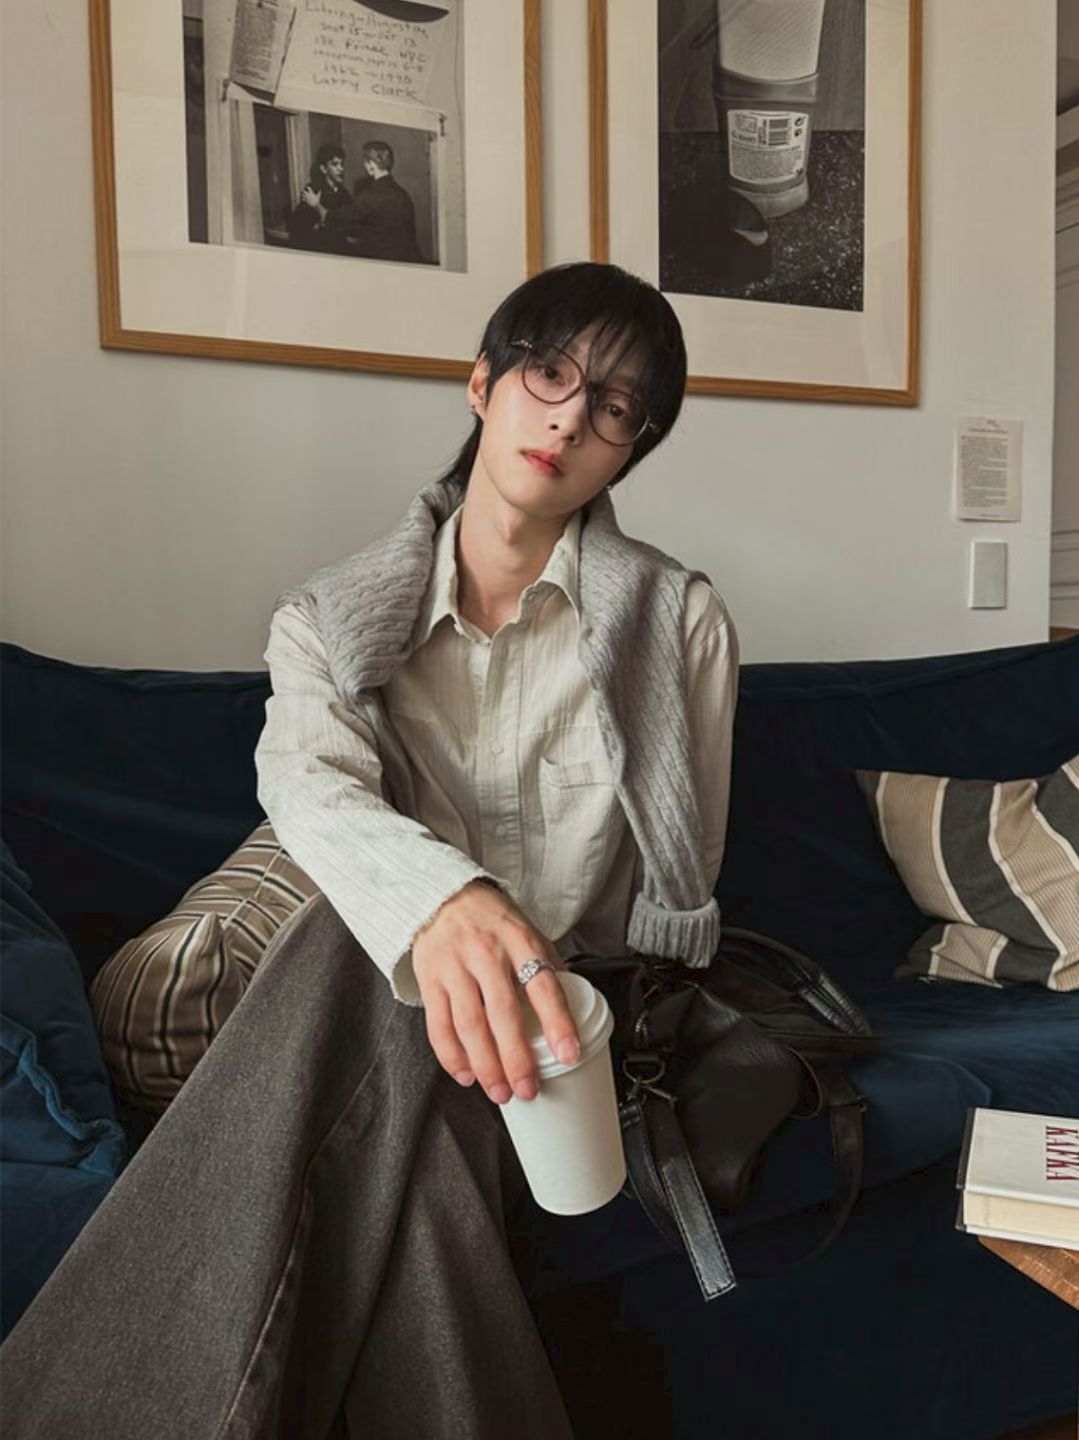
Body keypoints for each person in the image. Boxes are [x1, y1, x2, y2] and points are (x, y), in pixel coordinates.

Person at [0, 261, 739, 1439]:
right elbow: (306, 783)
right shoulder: (324, 621)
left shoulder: (678, 621)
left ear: (627, 451)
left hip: (549, 1022)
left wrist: (507, 959)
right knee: (369, 955)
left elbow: (675, 873)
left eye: (612, 407)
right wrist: (443, 906)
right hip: (356, 994)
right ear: (481, 384)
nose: (566, 419)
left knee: (391, 1020)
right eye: (548, 374)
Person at [349, 140, 422, 262]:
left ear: (371, 165)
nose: (365, 166)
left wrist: (319, 207)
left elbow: (342, 219)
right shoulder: (403, 195)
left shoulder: (369, 195)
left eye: (366, 162)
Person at [288, 142, 356, 254]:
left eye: (342, 164)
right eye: (335, 164)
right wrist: (319, 225)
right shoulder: (312, 191)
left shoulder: (345, 194)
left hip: (339, 251)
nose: (341, 169)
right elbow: (298, 228)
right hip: (318, 250)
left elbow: (348, 224)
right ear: (324, 169)